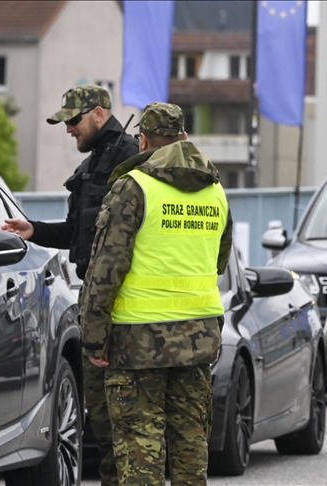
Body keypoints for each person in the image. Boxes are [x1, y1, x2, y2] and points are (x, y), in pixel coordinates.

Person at [79, 102, 233, 486]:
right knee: (189, 452)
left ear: (143, 140)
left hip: (136, 343)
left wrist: (93, 338)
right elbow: (219, 262)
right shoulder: (215, 190)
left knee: (140, 450)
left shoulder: (134, 187)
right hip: (198, 338)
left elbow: (105, 269)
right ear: (183, 138)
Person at [0, 84, 138, 486]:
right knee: (100, 415)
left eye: (74, 121)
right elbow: (79, 233)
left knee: (121, 419)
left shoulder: (129, 159)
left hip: (122, 306)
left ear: (98, 114)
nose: (68, 130)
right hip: (95, 300)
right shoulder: (96, 162)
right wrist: (33, 230)